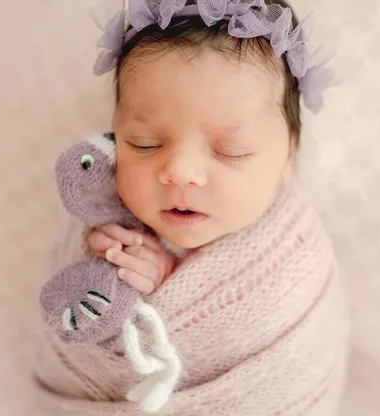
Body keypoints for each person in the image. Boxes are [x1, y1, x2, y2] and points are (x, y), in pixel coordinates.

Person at [34, 1, 349, 414]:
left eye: (230, 151)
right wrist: (108, 275)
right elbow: (66, 330)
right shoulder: (97, 226)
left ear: (287, 158)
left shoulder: (294, 258)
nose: (180, 172)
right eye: (144, 144)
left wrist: (167, 283)